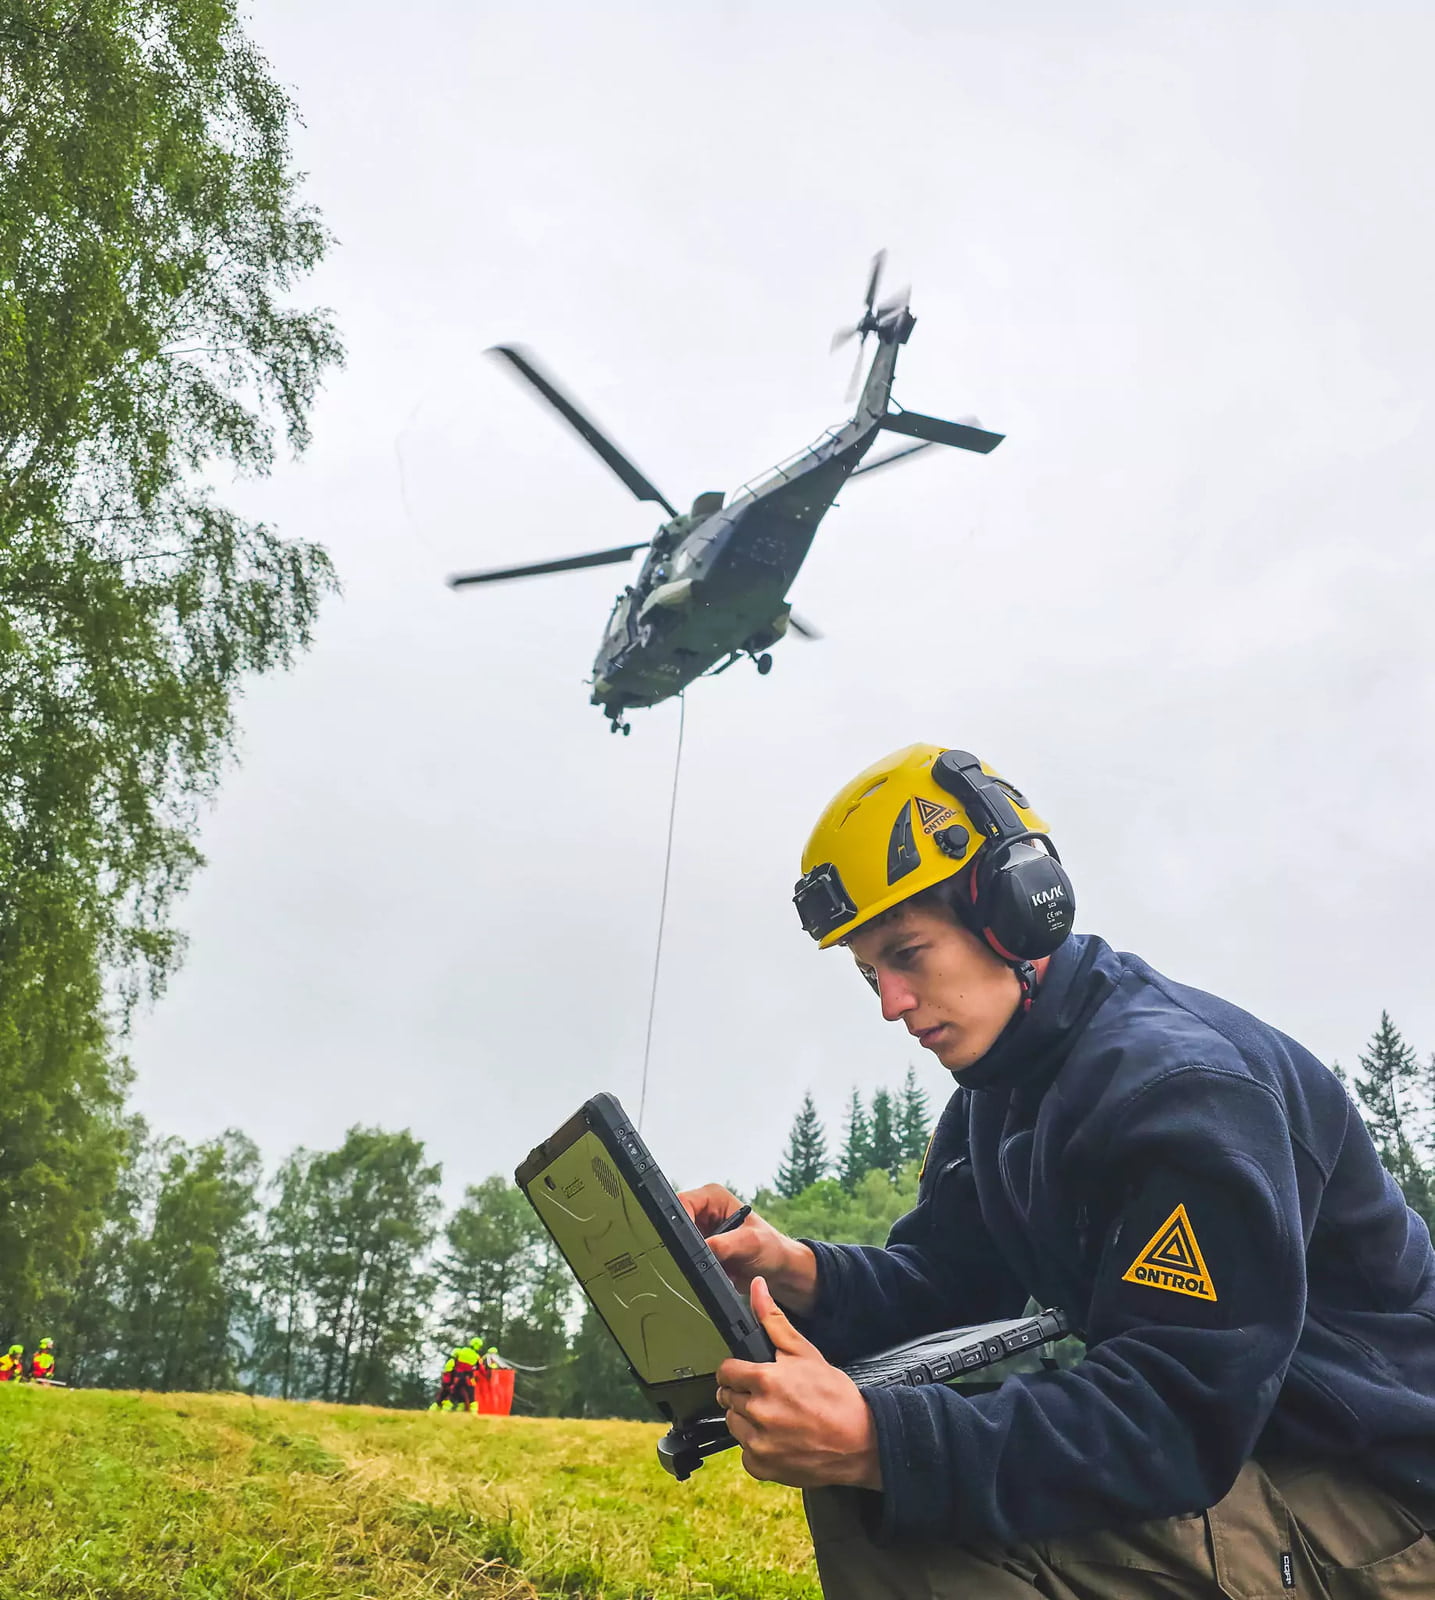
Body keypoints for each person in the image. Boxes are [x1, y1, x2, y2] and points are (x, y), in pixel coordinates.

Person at [680, 744, 1435, 1598]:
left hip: (1381, 1501)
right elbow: (951, 1282)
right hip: (1258, 1454)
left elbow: (1175, 1421)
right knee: (891, 1482)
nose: (890, 1004)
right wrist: (791, 1269)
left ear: (1016, 912)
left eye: (907, 954)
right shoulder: (1005, 1086)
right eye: (869, 974)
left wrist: (877, 1441)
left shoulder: (1182, 1093)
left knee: (894, 1495)